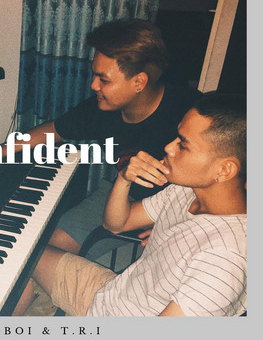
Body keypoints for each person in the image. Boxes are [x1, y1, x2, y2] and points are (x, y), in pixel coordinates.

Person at [13, 92, 247, 317]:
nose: (169, 147)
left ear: (224, 170)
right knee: (20, 253)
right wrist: (124, 179)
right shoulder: (186, 190)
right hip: (111, 293)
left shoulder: (224, 261)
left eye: (183, 145)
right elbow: (116, 224)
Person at [18, 18, 200, 259]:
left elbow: (230, 181)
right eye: (94, 76)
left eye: (104, 80)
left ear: (139, 82)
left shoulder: (193, 114)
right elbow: (54, 129)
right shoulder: (103, 108)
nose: (93, 85)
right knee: (41, 247)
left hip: (178, 208)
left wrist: (180, 221)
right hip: (121, 194)